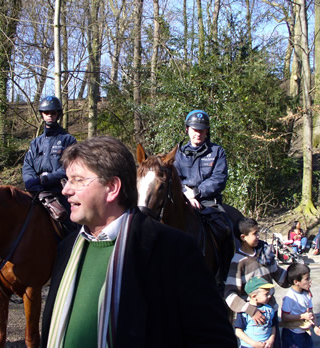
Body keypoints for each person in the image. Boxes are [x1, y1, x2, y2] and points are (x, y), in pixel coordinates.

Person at [41, 136, 237, 347]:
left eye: (78, 180)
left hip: (202, 198)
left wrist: (197, 191)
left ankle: (226, 278)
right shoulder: (67, 248)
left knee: (223, 226)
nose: (65, 191)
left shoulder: (176, 251)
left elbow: (216, 340)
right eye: (66, 180)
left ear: (112, 187)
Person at [224, 218, 289, 348]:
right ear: (243, 237)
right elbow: (229, 295)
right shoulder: (238, 262)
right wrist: (250, 310)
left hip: (271, 315)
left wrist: (296, 277)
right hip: (253, 323)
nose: (258, 236)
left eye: (258, 232)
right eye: (255, 233)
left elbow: (280, 276)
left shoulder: (264, 253)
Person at [22, 96, 77, 232]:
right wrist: (31, 182)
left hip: (59, 191)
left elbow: (70, 167)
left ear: (58, 114)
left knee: (71, 226)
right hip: (36, 191)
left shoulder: (68, 140)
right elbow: (27, 165)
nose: (50, 116)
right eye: (47, 113)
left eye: (53, 113)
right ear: (42, 114)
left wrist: (48, 178)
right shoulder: (35, 143)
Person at [174, 110, 228, 210]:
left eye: (201, 130)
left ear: (206, 131)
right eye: (195, 130)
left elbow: (219, 178)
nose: (198, 134)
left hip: (210, 202)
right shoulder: (178, 154)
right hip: (183, 199)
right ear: (187, 129)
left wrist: (197, 192)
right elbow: (174, 178)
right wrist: (186, 195)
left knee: (221, 224)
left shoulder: (217, 151)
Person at [281, 263, 320, 347]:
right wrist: (302, 316)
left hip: (304, 333)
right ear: (296, 282)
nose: (310, 281)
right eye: (307, 279)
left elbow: (311, 313)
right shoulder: (290, 297)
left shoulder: (307, 294)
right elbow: (285, 317)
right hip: (292, 334)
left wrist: (315, 327)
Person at [234, 277, 277, 348]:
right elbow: (238, 331)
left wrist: (270, 340)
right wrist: (253, 343)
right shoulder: (244, 312)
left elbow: (273, 326)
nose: (269, 296)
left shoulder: (270, 309)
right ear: (254, 296)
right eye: (266, 294)